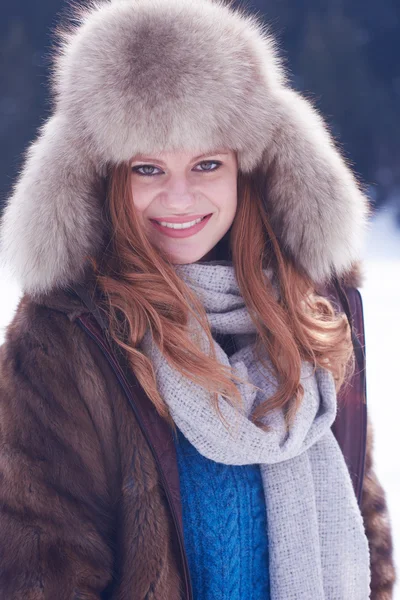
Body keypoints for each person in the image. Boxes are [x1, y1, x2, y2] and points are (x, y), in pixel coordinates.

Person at [0, 0, 396, 598]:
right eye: (148, 169)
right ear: (106, 176)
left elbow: (365, 529)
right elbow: (39, 570)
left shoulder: (314, 315)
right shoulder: (67, 337)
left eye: (206, 163)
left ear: (249, 169)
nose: (179, 199)